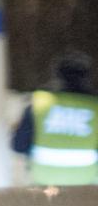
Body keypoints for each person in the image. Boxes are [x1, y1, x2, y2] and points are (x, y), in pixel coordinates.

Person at [10, 50, 97, 185]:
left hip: (44, 179)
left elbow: (18, 146)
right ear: (86, 78)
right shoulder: (94, 108)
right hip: (86, 180)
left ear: (57, 77)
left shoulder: (39, 104)